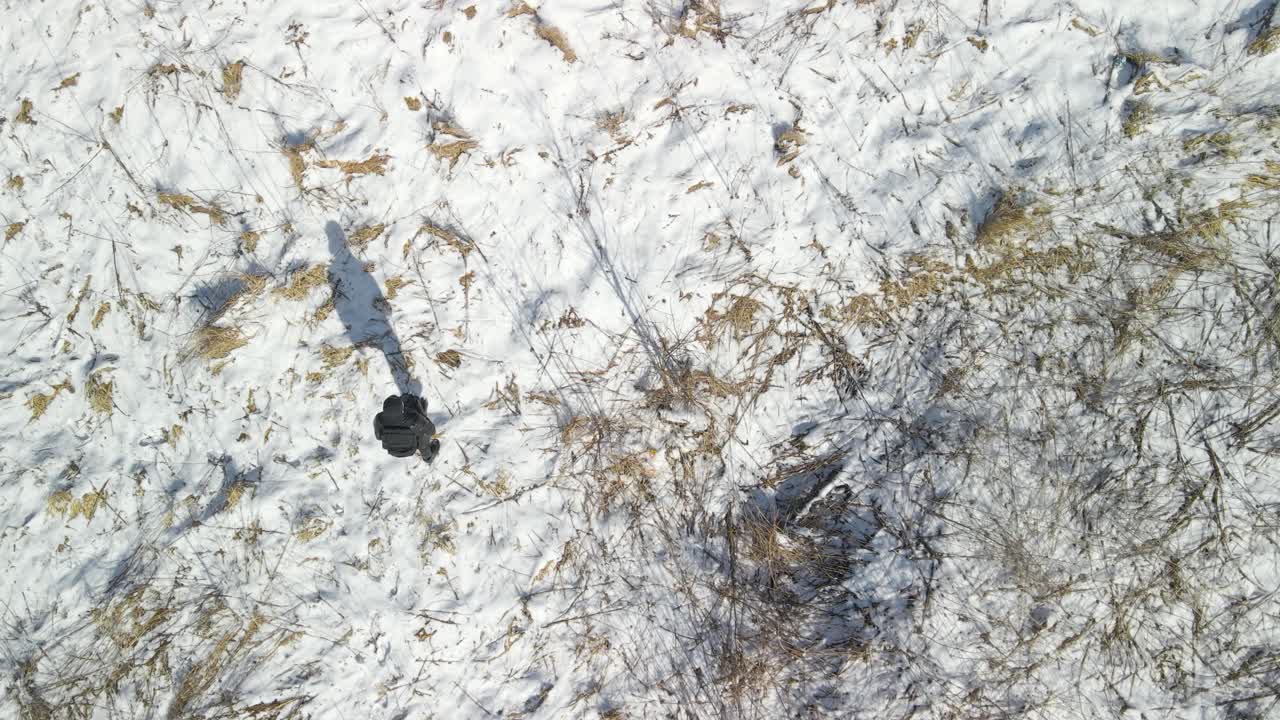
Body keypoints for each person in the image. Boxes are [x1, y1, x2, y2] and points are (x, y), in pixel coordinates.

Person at [374, 394, 440, 462]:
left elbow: (378, 436)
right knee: (424, 434)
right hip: (410, 449)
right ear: (402, 409)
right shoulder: (412, 417)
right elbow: (431, 430)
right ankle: (428, 457)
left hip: (392, 450)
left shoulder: (379, 418)